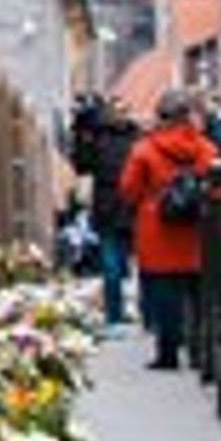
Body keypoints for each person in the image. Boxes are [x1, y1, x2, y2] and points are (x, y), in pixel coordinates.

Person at [118, 89, 219, 370]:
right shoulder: (206, 148)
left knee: (165, 296)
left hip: (157, 228)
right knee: (198, 294)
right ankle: (202, 352)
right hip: (197, 228)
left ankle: (168, 353)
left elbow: (128, 190)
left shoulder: (144, 149)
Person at [70, 95, 140, 332]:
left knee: (132, 264)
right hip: (108, 206)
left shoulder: (137, 136)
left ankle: (140, 313)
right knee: (111, 264)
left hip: (132, 205)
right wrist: (80, 136)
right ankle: (114, 315)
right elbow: (82, 165)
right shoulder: (98, 136)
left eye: (126, 109)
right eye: (118, 109)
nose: (122, 114)